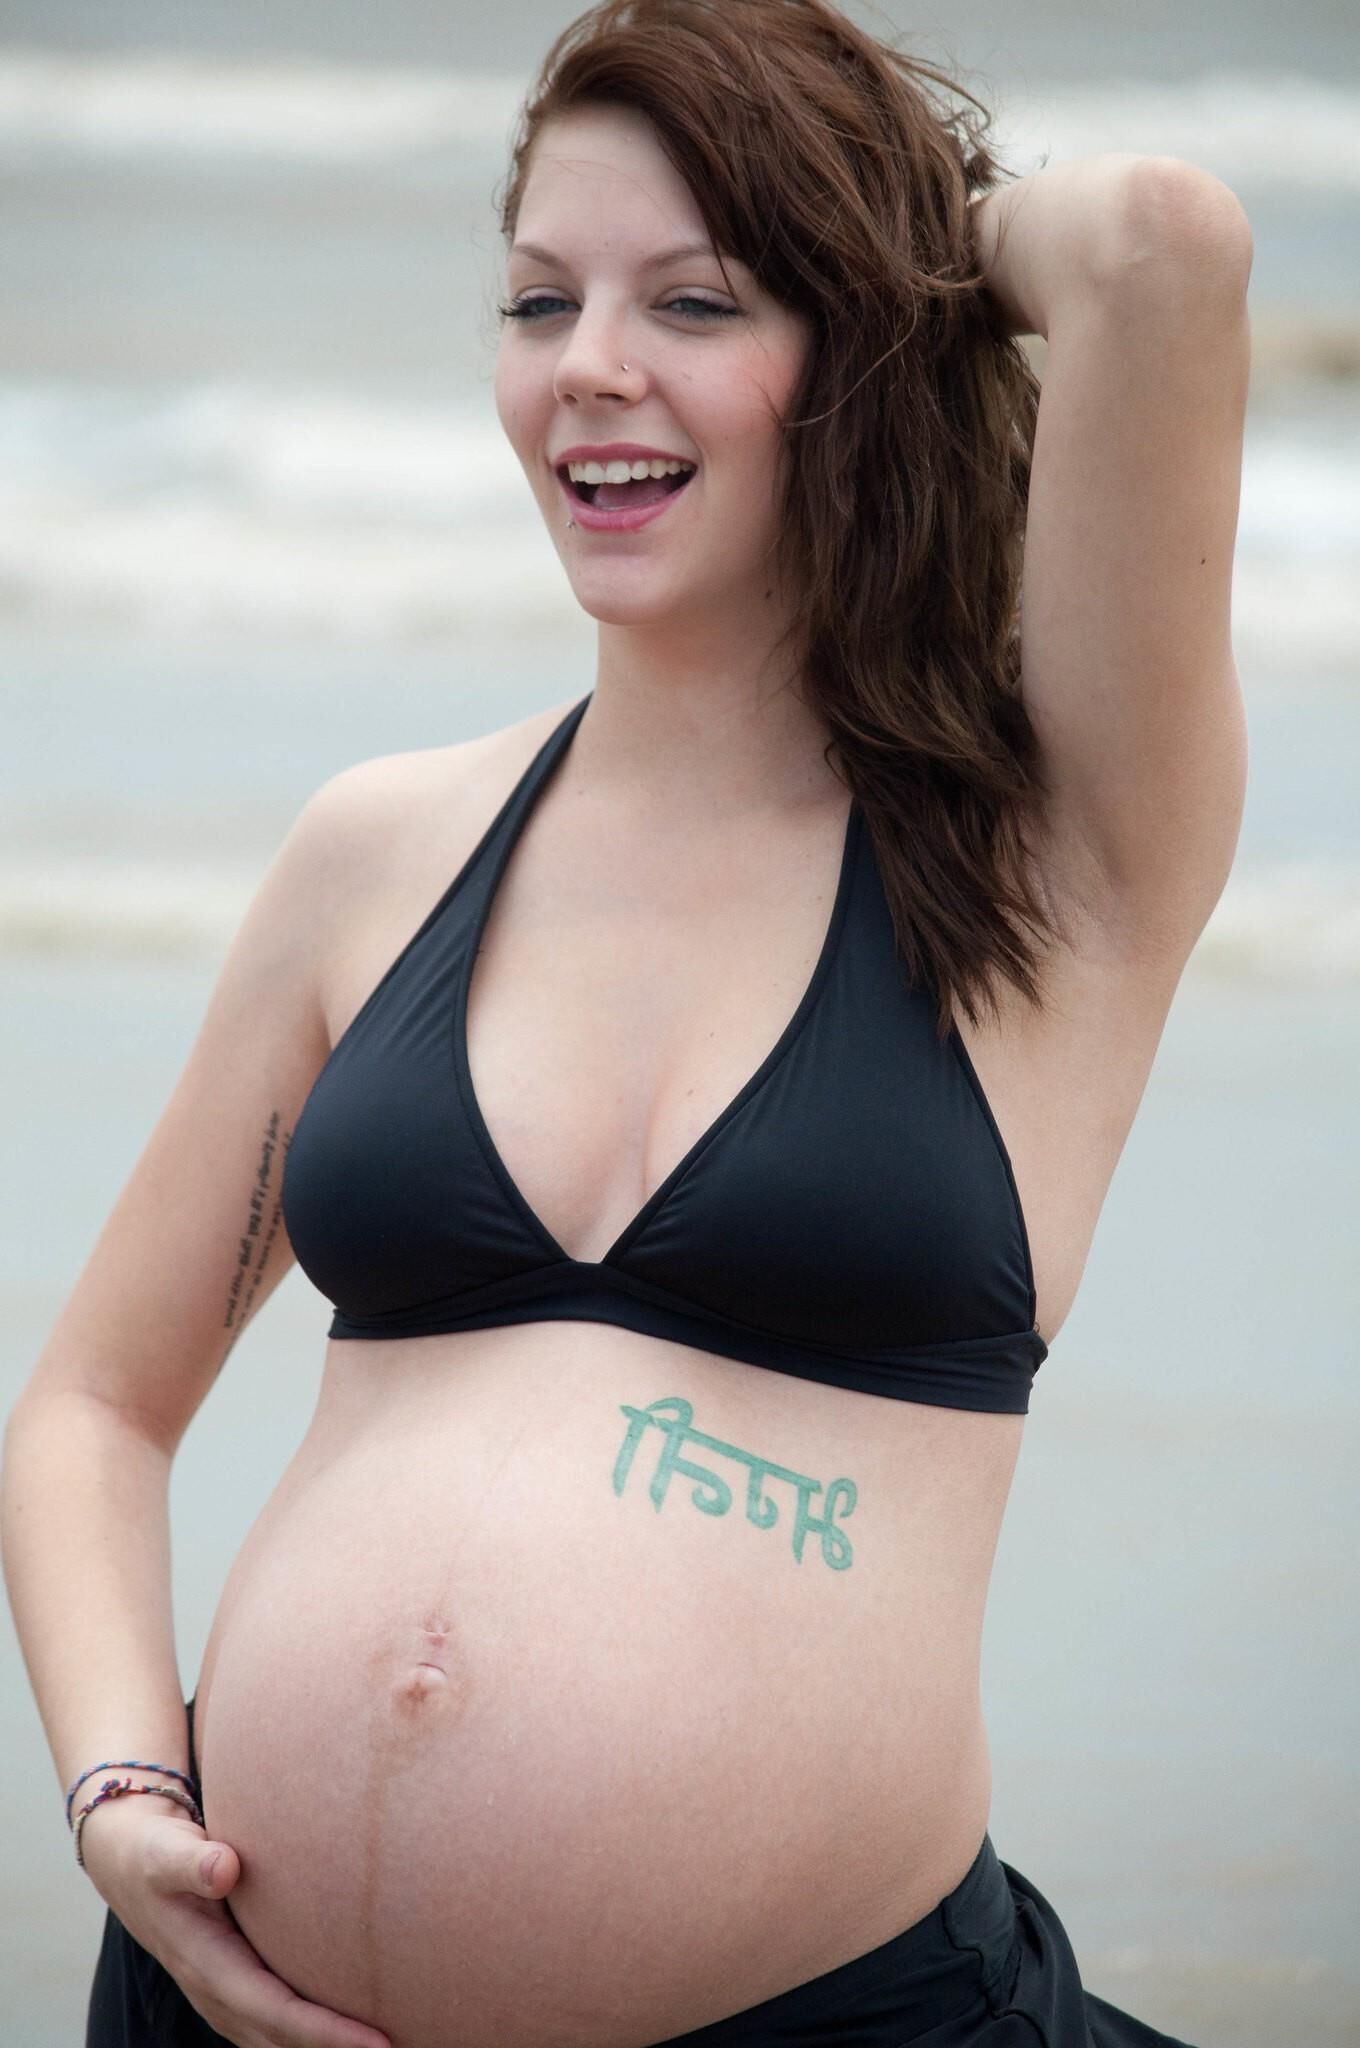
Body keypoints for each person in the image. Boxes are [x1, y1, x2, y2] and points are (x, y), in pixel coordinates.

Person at [1, 1, 1253, 2043]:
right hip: (224, 2004)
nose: (586, 363)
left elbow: (1157, 246)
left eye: (692, 299)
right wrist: (120, 1787)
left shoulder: (1053, 866)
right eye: (535, 298)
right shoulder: (380, 848)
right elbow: (93, 1408)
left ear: (848, 351)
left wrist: (866, 231)